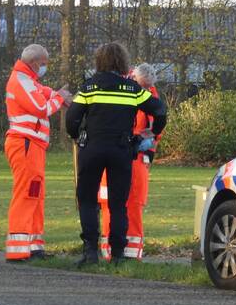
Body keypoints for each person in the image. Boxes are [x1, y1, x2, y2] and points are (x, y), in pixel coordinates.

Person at [66, 43, 167, 266]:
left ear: (99, 61)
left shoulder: (89, 88)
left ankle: (90, 252)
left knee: (88, 200)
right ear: (122, 62)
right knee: (118, 203)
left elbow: (72, 117)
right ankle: (118, 253)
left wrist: (77, 135)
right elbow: (159, 110)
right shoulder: (133, 89)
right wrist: (150, 133)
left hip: (92, 148)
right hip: (122, 150)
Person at [3, 44, 73, 262]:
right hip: (25, 144)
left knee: (35, 193)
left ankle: (34, 245)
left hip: (33, 146)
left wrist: (59, 96)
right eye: (43, 64)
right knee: (26, 193)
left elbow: (46, 94)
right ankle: (18, 249)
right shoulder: (21, 81)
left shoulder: (30, 81)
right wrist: (60, 98)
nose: (44, 68)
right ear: (34, 63)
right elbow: (42, 108)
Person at [97, 63, 162, 261]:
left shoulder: (150, 96)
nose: (143, 90)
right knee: (109, 202)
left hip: (134, 155)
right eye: (141, 85)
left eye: (146, 87)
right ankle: (109, 249)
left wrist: (148, 145)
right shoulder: (117, 86)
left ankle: (131, 252)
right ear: (132, 77)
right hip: (114, 151)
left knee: (134, 203)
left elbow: (156, 126)